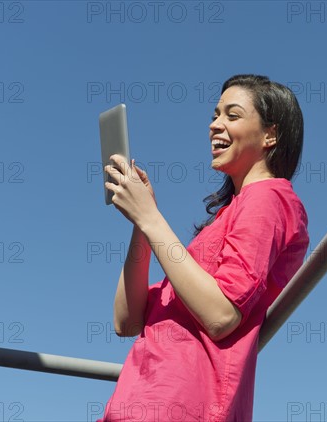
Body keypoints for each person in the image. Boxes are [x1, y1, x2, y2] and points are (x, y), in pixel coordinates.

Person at [98, 74, 309, 421]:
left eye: (232, 115)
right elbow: (127, 320)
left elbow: (222, 314)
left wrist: (151, 217)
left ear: (270, 134)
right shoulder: (220, 223)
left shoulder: (269, 196)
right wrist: (142, 223)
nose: (215, 125)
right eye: (215, 115)